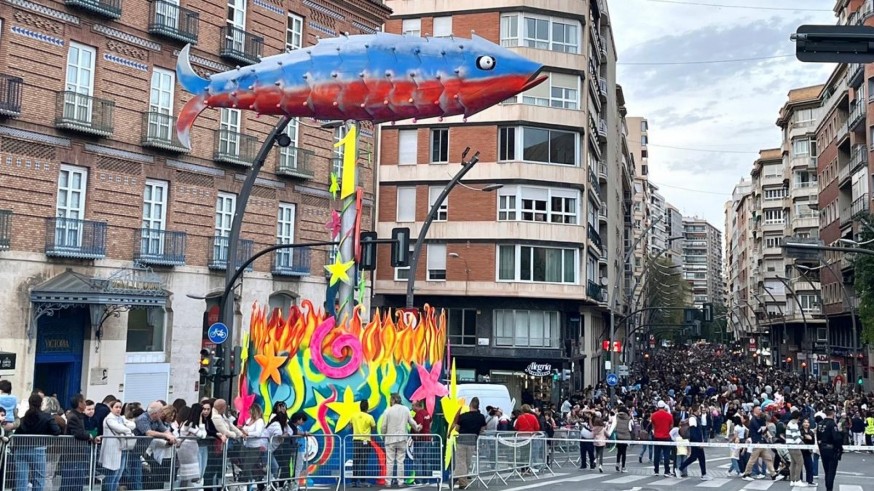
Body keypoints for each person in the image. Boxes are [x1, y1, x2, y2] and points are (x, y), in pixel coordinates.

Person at [14, 393, 61, 491]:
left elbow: (17, 432)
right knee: (39, 478)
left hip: (21, 449)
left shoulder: (24, 418)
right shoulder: (47, 417)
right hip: (38, 449)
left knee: (21, 479)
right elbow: (56, 431)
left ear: (29, 403)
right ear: (40, 404)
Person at [60, 394, 99, 491]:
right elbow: (78, 433)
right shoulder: (73, 416)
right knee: (69, 479)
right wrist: (90, 436)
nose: (85, 403)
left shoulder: (79, 416)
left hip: (79, 452)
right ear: (79, 403)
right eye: (83, 401)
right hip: (72, 452)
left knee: (78, 479)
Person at [381, 393, 420, 488]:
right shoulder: (406, 409)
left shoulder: (388, 411)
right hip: (402, 438)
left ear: (394, 400)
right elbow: (411, 422)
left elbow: (383, 426)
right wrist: (417, 427)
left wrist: (383, 435)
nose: (390, 401)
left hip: (390, 439)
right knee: (400, 461)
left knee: (390, 461)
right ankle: (400, 481)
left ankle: (388, 482)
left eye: (391, 399)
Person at [100, 400, 134, 491]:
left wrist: (125, 426)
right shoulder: (109, 419)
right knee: (112, 475)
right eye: (116, 407)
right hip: (112, 450)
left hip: (122, 449)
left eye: (120, 407)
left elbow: (133, 425)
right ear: (111, 408)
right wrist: (127, 429)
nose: (119, 409)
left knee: (118, 476)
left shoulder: (121, 418)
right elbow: (120, 428)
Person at [453, 397, 486, 489]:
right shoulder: (481, 417)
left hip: (462, 440)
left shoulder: (463, 416)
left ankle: (460, 480)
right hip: (472, 441)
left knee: (460, 461)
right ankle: (459, 478)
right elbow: (483, 429)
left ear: (470, 405)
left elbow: (457, 429)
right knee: (467, 462)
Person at [676, 404, 712, 480]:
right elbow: (694, 432)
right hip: (696, 441)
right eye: (699, 409)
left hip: (698, 441)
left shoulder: (696, 418)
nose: (700, 411)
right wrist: (698, 442)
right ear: (696, 410)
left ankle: (704, 474)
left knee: (700, 457)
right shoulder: (693, 419)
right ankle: (679, 469)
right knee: (693, 457)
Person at [177, 404, 207, 488]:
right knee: (191, 475)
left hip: (188, 448)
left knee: (186, 475)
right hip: (188, 449)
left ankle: (183, 489)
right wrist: (201, 422)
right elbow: (203, 435)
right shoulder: (190, 424)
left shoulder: (186, 423)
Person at [817, 407, 844, 491]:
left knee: (826, 471)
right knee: (831, 472)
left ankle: (828, 487)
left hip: (822, 448)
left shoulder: (820, 423)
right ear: (833, 413)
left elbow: (818, 437)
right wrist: (839, 448)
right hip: (831, 449)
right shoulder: (832, 424)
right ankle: (829, 489)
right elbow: (836, 438)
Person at [411, 400, 434, 485]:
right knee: (426, 460)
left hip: (420, 439)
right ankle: (426, 480)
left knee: (418, 459)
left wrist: (416, 434)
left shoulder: (419, 414)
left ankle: (418, 480)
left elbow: (419, 426)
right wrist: (428, 430)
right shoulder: (426, 413)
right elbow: (431, 421)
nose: (412, 407)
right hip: (427, 439)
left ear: (417, 406)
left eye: (412, 405)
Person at [650, 401, 673, 477]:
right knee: (666, 455)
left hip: (657, 437)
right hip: (666, 437)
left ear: (657, 407)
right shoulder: (669, 415)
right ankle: (667, 471)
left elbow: (653, 426)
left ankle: (656, 470)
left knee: (657, 454)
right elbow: (671, 427)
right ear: (664, 407)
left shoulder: (653, 415)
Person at [786, 408, 807, 487]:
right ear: (798, 417)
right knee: (800, 462)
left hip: (790, 445)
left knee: (793, 463)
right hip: (794, 445)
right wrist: (803, 444)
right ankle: (797, 480)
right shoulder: (794, 424)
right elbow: (795, 437)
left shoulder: (790, 423)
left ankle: (792, 480)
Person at [612, 406, 632, 472]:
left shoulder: (617, 417)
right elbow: (630, 428)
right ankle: (623, 467)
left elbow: (614, 425)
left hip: (618, 436)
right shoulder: (628, 418)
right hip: (625, 437)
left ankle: (617, 463)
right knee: (624, 453)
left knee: (619, 451)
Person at [800, 417, 816, 487]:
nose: (806, 424)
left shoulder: (811, 432)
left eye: (807, 422)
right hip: (800, 451)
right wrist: (804, 436)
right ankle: (799, 480)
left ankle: (810, 480)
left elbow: (812, 441)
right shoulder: (800, 431)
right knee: (799, 466)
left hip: (808, 452)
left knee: (810, 466)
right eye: (805, 422)